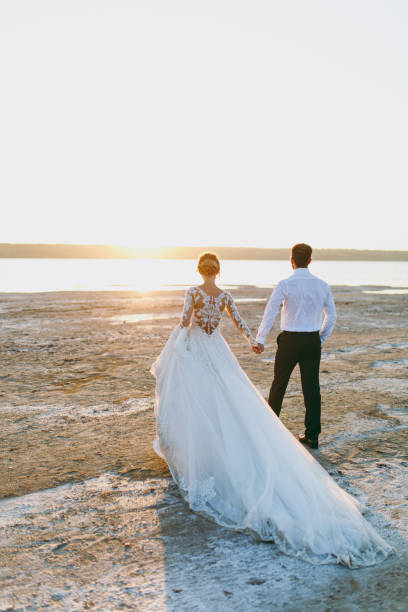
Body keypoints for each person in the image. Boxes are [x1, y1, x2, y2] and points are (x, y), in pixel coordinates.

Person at [151, 252, 392, 567]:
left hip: (198, 346)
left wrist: (188, 329)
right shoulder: (224, 295)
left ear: (200, 270)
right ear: (218, 271)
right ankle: (301, 434)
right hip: (223, 348)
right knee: (237, 398)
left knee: (200, 400)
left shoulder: (194, 293)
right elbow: (237, 322)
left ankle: (195, 450)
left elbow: (185, 321)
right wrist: (254, 341)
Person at [253, 243, 336, 449]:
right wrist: (320, 338)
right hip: (311, 341)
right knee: (312, 388)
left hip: (289, 340)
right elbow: (332, 316)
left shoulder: (285, 284)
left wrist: (260, 339)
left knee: (279, 385)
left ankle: (270, 433)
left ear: (291, 261)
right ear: (309, 261)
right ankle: (312, 436)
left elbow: (270, 312)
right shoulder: (322, 285)